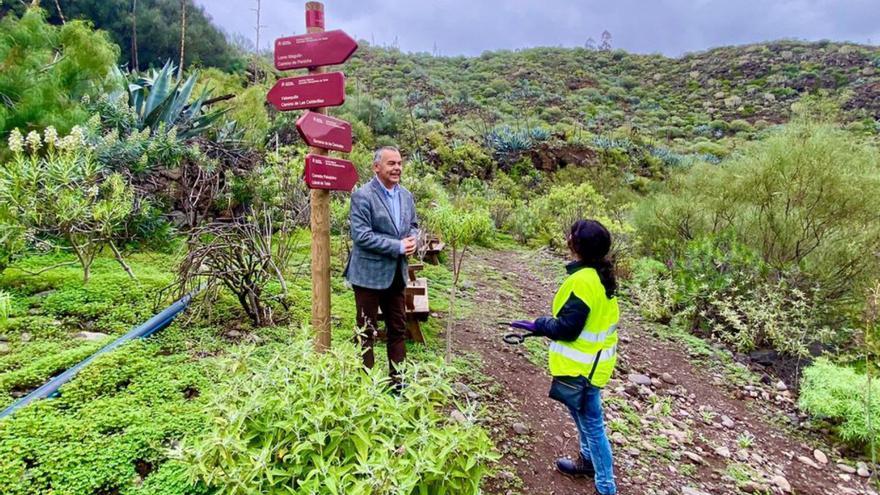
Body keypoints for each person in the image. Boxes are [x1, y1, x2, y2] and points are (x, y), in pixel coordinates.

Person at [511, 219, 620, 495]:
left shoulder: (584, 281)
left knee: (593, 426)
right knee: (583, 418)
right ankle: (586, 462)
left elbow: (569, 329)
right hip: (592, 366)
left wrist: (540, 324)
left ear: (577, 245)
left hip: (582, 368)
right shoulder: (598, 275)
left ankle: (606, 487)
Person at [344, 146, 418, 386]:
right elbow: (361, 236)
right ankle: (366, 386)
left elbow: (413, 225)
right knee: (366, 331)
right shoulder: (363, 196)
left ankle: (399, 383)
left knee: (398, 328)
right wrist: (397, 246)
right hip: (368, 275)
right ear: (376, 167)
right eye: (391, 163)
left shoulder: (406, 195)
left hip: (396, 274)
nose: (397, 168)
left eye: (399, 163)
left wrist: (413, 240)